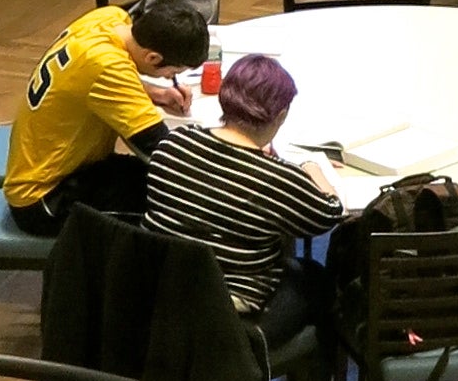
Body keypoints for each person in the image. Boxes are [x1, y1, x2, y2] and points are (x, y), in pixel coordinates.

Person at [141, 47, 338, 349]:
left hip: (157, 288)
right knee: (316, 279)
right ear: (281, 115)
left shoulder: (174, 143)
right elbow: (328, 213)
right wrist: (312, 168)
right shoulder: (278, 179)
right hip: (224, 308)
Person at [5, 0, 212, 222]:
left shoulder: (110, 19)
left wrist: (155, 92)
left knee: (164, 187)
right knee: (179, 207)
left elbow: (88, 83)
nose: (169, 79)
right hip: (44, 198)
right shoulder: (108, 67)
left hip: (68, 166)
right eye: (172, 72)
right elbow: (160, 149)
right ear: (152, 57)